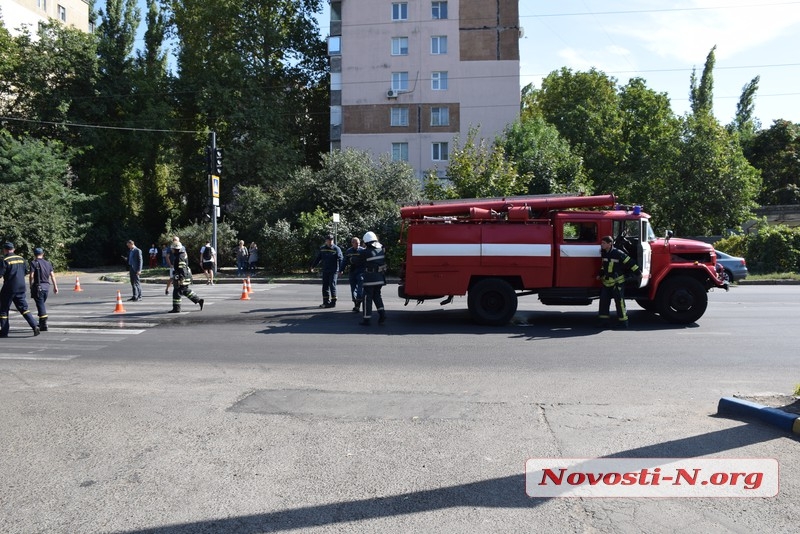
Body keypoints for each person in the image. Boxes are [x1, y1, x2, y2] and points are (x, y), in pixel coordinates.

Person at [597, 235, 640, 329]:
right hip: (606, 282)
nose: (602, 245)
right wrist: (600, 274)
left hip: (617, 282)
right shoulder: (604, 253)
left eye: (603, 243)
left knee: (619, 303)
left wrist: (638, 273)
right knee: (604, 302)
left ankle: (623, 322)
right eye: (602, 243)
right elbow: (604, 266)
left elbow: (631, 262)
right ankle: (603, 322)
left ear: (610, 244)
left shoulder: (618, 253)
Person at [1, 242, 40, 337]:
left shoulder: (4, 260)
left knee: (3, 309)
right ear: (13, 249)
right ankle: (34, 325)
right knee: (24, 308)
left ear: (5, 250)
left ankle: (4, 331)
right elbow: (26, 272)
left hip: (9, 287)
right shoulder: (21, 259)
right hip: (21, 286)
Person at [352, 231, 387, 326]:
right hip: (380, 277)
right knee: (377, 296)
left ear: (367, 242)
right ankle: (382, 314)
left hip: (370, 279)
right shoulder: (381, 249)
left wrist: (352, 258)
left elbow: (356, 261)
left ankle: (366, 319)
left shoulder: (365, 252)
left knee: (367, 297)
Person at [309, 234, 343, 308]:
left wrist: (341, 270)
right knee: (325, 286)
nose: (330, 241)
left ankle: (333, 302)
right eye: (328, 240)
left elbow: (341, 259)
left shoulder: (336, 249)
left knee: (332, 285)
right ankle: (326, 302)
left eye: (331, 240)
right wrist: (313, 266)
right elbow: (318, 258)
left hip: (333, 271)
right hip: (325, 270)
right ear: (326, 241)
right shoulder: (322, 248)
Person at [29, 247, 58, 332]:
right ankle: (41, 322)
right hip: (46, 287)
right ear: (43, 254)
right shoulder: (47, 263)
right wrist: (55, 286)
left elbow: (31, 275)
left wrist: (31, 285)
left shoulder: (34, 263)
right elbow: (52, 275)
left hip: (38, 287)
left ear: (34, 254)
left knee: (40, 305)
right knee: (41, 303)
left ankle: (44, 323)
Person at [170, 242, 204, 313]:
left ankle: (176, 309)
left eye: (172, 248)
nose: (172, 250)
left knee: (177, 292)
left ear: (176, 249)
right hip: (186, 275)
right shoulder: (182, 254)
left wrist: (181, 277)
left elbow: (182, 268)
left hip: (183, 276)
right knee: (185, 290)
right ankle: (198, 300)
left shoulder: (179, 257)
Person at [344, 237, 365, 312]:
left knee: (360, 288)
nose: (358, 245)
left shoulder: (363, 251)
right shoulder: (349, 251)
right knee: (353, 288)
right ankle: (355, 303)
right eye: (356, 243)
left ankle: (358, 304)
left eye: (359, 243)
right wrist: (341, 270)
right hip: (352, 271)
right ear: (352, 243)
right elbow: (344, 261)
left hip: (361, 271)